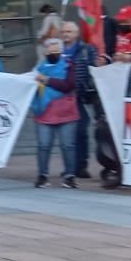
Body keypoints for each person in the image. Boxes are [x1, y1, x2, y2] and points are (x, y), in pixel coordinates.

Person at [32, 37, 80, 188]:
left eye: (56, 50)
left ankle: (69, 176)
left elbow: (68, 85)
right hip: (44, 113)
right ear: (45, 51)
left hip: (67, 113)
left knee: (68, 146)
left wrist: (45, 80)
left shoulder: (69, 65)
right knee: (43, 145)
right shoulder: (38, 69)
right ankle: (42, 175)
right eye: (50, 50)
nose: (53, 53)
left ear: (61, 51)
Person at [59, 22, 97, 180]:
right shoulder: (56, 49)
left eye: (69, 31)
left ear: (76, 33)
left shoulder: (86, 50)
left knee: (81, 131)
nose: (65, 34)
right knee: (66, 134)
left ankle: (81, 165)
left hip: (79, 96)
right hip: (61, 96)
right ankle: (70, 166)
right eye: (63, 31)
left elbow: (94, 68)